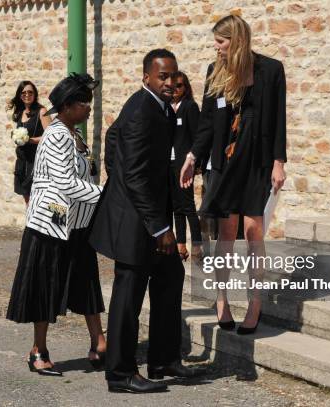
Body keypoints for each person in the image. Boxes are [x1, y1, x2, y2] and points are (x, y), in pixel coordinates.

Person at [90, 49, 203, 394]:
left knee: (171, 276)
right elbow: (137, 176)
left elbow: (112, 136)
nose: (169, 83)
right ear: (147, 78)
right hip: (136, 221)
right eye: (162, 77)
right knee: (128, 295)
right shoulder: (143, 109)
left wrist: (118, 172)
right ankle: (121, 374)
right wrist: (160, 227)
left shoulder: (159, 107)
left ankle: (162, 359)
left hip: (149, 213)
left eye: (173, 76)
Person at [180, 15, 287, 334]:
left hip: (257, 162)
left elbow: (279, 118)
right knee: (226, 234)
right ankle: (222, 298)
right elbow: (207, 121)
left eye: (221, 42)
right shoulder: (216, 71)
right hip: (224, 162)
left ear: (237, 40)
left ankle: (255, 303)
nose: (216, 48)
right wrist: (192, 155)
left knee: (254, 232)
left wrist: (279, 161)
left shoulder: (271, 69)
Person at [6, 73, 106, 376]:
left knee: (86, 281)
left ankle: (99, 343)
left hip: (75, 222)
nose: (89, 108)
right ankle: (38, 350)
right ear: (67, 106)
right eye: (84, 103)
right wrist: (106, 196)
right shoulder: (58, 135)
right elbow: (64, 183)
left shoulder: (72, 132)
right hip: (51, 224)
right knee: (45, 286)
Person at [169, 71, 203, 262]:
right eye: (173, 86)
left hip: (185, 164)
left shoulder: (190, 107)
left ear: (186, 87)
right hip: (170, 163)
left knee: (188, 205)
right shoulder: (166, 107)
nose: (175, 89)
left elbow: (198, 135)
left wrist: (195, 162)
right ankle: (180, 244)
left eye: (180, 86)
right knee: (176, 206)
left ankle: (197, 244)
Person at [7, 81, 52, 205]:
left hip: (36, 162)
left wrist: (30, 140)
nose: (27, 95)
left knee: (37, 200)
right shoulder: (20, 112)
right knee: (27, 199)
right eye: (24, 92)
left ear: (35, 94)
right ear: (20, 95)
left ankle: (36, 223)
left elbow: (52, 136)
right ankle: (30, 223)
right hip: (22, 161)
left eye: (30, 92)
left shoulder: (42, 112)